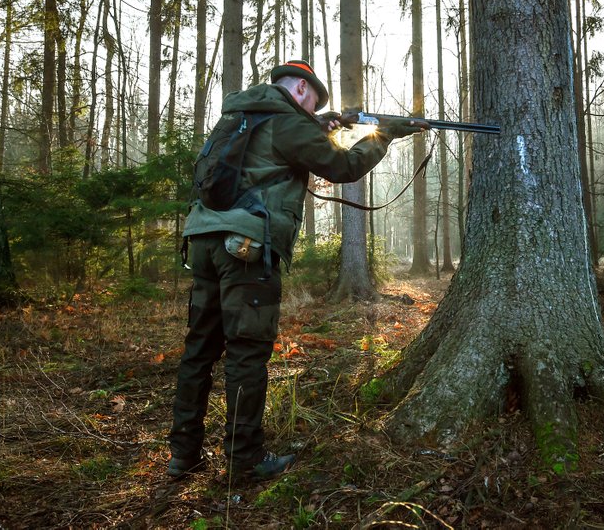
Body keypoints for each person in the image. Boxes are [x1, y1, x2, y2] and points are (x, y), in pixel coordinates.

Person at [168, 59, 424, 482]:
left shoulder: (241, 115)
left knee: (199, 351)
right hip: (247, 248)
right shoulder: (288, 122)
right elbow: (341, 168)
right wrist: (384, 134)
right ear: (302, 91)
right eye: (312, 104)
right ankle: (244, 460)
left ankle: (183, 455)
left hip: (203, 241)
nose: (311, 111)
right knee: (247, 353)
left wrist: (322, 125)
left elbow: (266, 158)